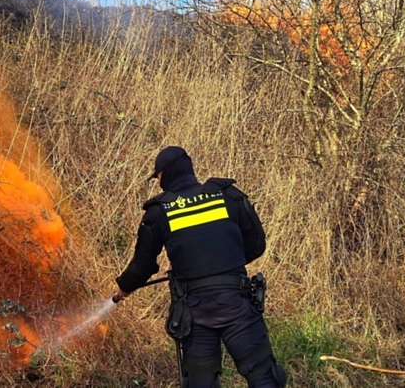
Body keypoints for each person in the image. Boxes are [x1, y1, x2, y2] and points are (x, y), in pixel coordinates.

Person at [114, 146, 287, 388]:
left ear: (166, 173)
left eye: (158, 176)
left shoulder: (159, 211)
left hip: (195, 314)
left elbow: (142, 265)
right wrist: (225, 263)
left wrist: (123, 289)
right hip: (236, 304)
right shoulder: (228, 195)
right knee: (265, 378)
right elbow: (256, 243)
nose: (159, 182)